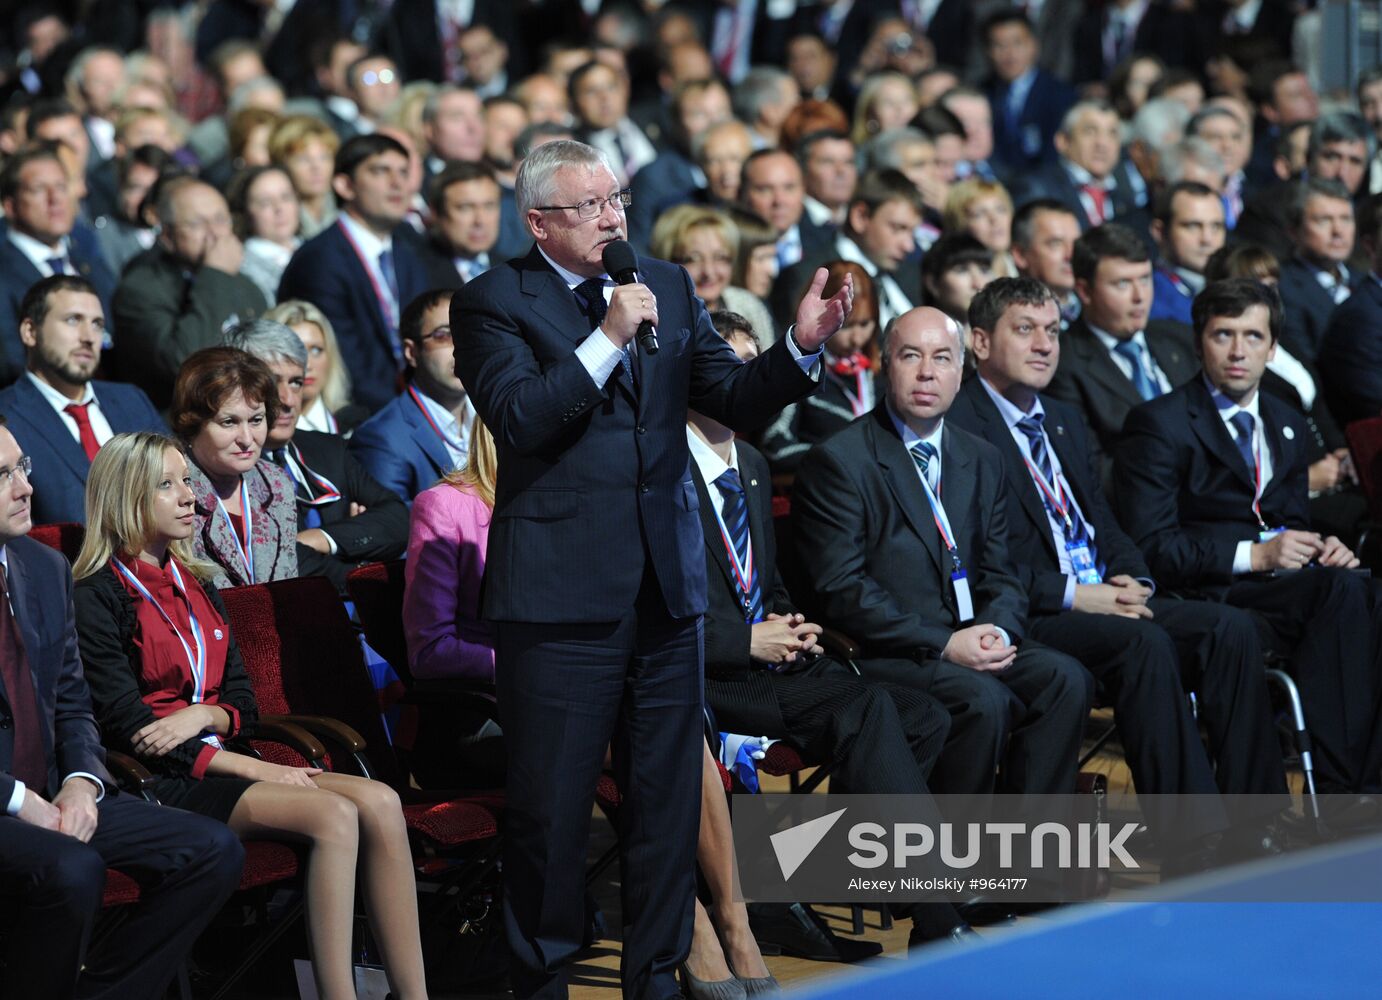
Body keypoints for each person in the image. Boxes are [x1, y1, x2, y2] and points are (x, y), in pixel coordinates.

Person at [452, 138, 851, 1000]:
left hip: (667, 594)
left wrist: (796, 350)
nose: (612, 217)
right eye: (590, 206)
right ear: (538, 223)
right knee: (553, 818)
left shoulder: (666, 283)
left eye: (616, 200)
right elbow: (521, 419)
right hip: (560, 603)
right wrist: (604, 338)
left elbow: (732, 398)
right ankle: (543, 982)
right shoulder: (492, 302)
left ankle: (660, 978)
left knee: (667, 806)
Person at [403, 409, 790, 994]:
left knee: (675, 734)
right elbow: (429, 649)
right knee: (659, 746)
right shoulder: (446, 506)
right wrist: (543, 663)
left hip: (589, 696)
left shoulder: (581, 504)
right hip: (484, 715)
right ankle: (700, 930)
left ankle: (731, 920)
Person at [70, 431, 428, 1000]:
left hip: (218, 755)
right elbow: (129, 728)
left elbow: (243, 701)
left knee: (382, 800)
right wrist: (252, 767)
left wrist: (205, 715)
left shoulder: (197, 581)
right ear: (126, 497)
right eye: (167, 486)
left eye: (187, 481)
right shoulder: (97, 591)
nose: (189, 496)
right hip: (161, 782)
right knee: (334, 816)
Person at [950, 278, 1289, 837]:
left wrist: (1136, 578)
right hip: (1032, 611)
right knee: (1143, 643)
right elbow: (976, 557)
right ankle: (1195, 840)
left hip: (1103, 593)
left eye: (1054, 332)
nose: (1044, 345)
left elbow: (1102, 521)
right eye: (1025, 330)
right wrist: (1077, 595)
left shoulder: (1061, 416)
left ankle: (1262, 823)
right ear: (981, 343)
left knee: (1228, 628)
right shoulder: (961, 425)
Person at [790, 305, 1092, 798]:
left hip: (973, 638)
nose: (927, 372)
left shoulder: (981, 456)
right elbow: (842, 591)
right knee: (983, 701)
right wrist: (946, 643)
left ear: (961, 374)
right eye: (911, 356)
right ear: (886, 364)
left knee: (1065, 679)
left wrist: (998, 629)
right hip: (891, 651)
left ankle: (1029, 854)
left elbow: (1001, 570)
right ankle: (951, 862)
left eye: (943, 358)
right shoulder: (840, 462)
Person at [0, 417, 244, 1000]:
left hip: (60, 792)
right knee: (72, 870)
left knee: (211, 850)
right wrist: (17, 799)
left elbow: (72, 702)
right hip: (7, 800)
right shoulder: (81, 578)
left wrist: (83, 782)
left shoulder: (42, 566)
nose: (24, 487)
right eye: (2, 475)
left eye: (23, 468)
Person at [1115, 278, 1382, 797]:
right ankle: (1344, 787)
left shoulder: (1284, 421)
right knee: (1341, 593)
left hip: (1281, 586)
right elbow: (1152, 546)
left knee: (1364, 587)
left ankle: (1364, 783)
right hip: (1208, 588)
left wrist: (1323, 545)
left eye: (1254, 337)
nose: (1239, 351)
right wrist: (1253, 555)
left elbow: (1290, 520)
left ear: (1273, 347)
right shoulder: (1158, 423)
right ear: (1199, 343)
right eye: (1223, 335)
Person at [227, 320, 409, 592]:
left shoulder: (327, 449)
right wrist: (364, 567)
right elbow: (287, 563)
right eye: (272, 383)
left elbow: (398, 518)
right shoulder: (229, 467)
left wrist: (323, 538)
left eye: (296, 382)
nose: (288, 400)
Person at [278, 133, 432, 412]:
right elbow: (344, 364)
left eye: (403, 172)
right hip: (356, 416)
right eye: (380, 171)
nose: (398, 183)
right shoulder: (319, 260)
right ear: (345, 185)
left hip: (414, 404)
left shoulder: (410, 248)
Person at [0, 275, 164, 526]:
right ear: (30, 332)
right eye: (73, 320)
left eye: (97, 324)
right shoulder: (6, 418)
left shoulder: (133, 400)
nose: (89, 336)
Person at [1046, 223, 1199, 468]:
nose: (1140, 296)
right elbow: (1092, 468)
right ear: (1084, 291)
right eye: (1123, 284)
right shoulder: (1063, 363)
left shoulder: (1180, 338)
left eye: (1145, 279)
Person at [111, 179, 267, 410]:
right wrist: (215, 275)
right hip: (174, 425)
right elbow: (184, 361)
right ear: (166, 236)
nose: (214, 233)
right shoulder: (140, 289)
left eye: (221, 220)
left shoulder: (244, 285)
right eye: (196, 224)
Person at [169, 346, 297, 590]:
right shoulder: (170, 490)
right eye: (229, 422)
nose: (247, 438)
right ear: (192, 423)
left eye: (256, 420)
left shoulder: (276, 482)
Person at [0, 145, 117, 385]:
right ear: (10, 206)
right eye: (39, 189)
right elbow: (10, 364)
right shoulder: (4, 271)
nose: (55, 199)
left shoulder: (87, 255)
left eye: (62, 187)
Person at [351, 290, 474, 503]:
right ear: (411, 352)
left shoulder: (498, 415)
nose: (460, 346)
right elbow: (393, 529)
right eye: (443, 335)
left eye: (468, 332)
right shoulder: (382, 439)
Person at [773, 168, 923, 334]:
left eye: (912, 232)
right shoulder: (808, 277)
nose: (909, 246)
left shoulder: (910, 272)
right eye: (898, 228)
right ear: (860, 217)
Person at [760, 267, 878, 474]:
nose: (857, 338)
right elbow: (775, 446)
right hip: (825, 489)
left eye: (865, 324)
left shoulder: (878, 373)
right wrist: (838, 457)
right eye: (848, 326)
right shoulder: (799, 370)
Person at [651, 205, 776, 346]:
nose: (709, 272)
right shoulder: (655, 318)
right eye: (693, 259)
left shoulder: (749, 307)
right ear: (668, 261)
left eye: (720, 257)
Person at [1009, 100, 1141, 232]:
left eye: (1112, 133)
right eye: (1090, 131)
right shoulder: (1036, 189)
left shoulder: (1128, 193)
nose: (1102, 143)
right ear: (1063, 141)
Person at [1274, 177, 1359, 364]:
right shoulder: (1282, 287)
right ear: (1294, 231)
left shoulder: (1363, 282)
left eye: (1346, 219)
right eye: (1324, 220)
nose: (1338, 231)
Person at [264, 299, 367, 436]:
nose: (307, 365)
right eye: (295, 351)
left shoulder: (358, 426)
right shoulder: (257, 434)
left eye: (316, 350)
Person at [1149, 182, 1227, 326]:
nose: (1207, 239)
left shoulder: (1237, 286)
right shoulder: (1147, 299)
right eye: (1192, 226)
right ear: (1159, 232)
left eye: (1216, 226)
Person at [414, 161, 502, 288]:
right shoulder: (414, 271)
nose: (479, 221)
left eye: (489, 206)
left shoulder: (515, 270)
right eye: (465, 208)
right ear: (436, 213)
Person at [227, 164, 301, 306]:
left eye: (286, 197)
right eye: (265, 202)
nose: (279, 208)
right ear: (246, 212)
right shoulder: (242, 268)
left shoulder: (315, 249)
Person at [1010, 198, 1082, 329]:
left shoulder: (1101, 313)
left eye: (1076, 244)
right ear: (1020, 255)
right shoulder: (1003, 320)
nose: (1071, 255)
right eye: (1056, 243)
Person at [268, 115, 340, 240]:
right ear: (282, 164)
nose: (316, 167)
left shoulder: (349, 211)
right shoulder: (276, 220)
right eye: (303, 159)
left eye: (324, 157)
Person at [921, 233, 995, 333]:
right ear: (933, 283)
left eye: (984, 270)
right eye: (962, 270)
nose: (978, 284)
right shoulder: (920, 337)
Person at [944, 178, 1017, 278]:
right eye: (979, 214)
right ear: (959, 224)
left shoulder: (1024, 263)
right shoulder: (960, 279)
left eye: (1000, 209)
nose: (994, 219)